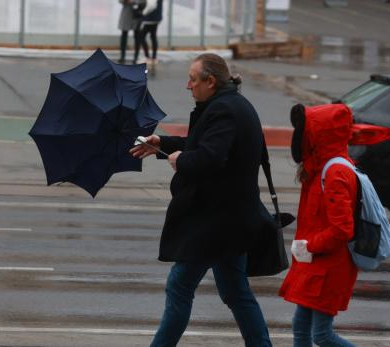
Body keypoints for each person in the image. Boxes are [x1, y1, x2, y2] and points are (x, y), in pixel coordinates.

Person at [129, 53, 273, 347]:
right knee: (236, 292)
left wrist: (181, 160)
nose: (187, 85)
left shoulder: (225, 111)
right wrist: (163, 143)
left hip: (216, 223)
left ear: (210, 81)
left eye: (193, 79)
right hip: (230, 219)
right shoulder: (230, 105)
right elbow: (205, 145)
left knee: (180, 285)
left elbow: (209, 158)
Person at [279, 103, 358, 347]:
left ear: (318, 135)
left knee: (321, 335)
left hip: (328, 267)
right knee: (301, 329)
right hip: (315, 266)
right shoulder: (322, 167)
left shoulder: (334, 172)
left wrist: (309, 246)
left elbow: (342, 229)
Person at [133, 0, 162, 66]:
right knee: (153, 37)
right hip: (156, 18)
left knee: (141, 37)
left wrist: (143, 13)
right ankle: (153, 58)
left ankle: (148, 57)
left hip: (149, 19)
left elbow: (151, 5)